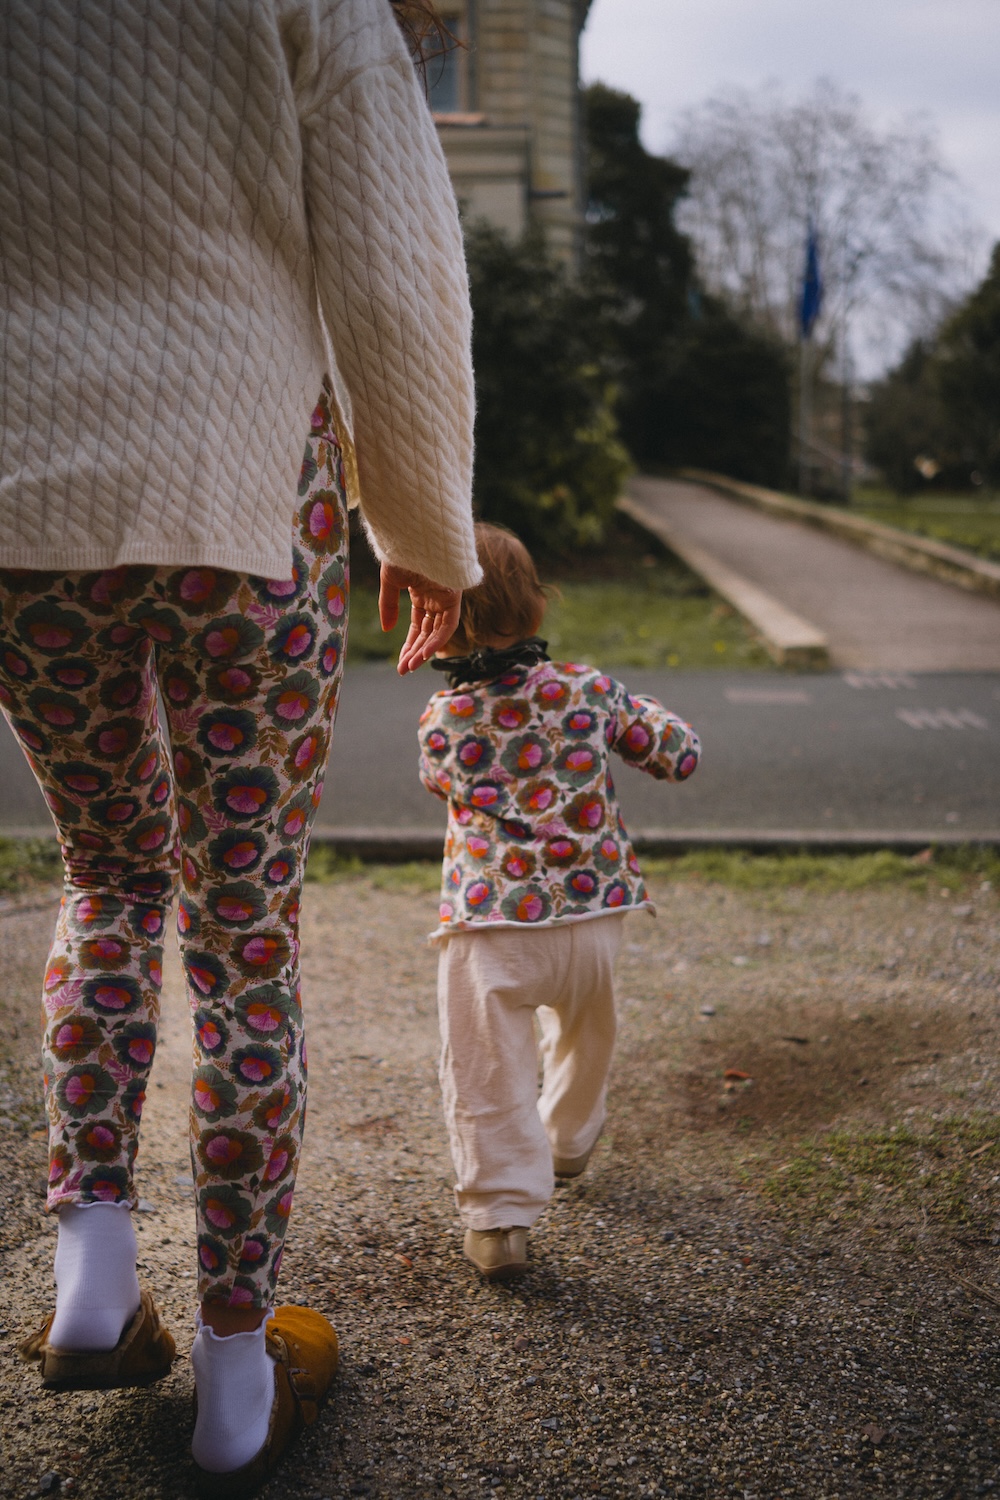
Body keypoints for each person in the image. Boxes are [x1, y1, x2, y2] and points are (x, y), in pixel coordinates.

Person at [0, 0, 479, 1491]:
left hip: (21, 511)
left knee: (112, 868)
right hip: (246, 494)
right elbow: (394, 267)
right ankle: (231, 1382)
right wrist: (426, 532)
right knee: (242, 928)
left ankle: (89, 1259)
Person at [418, 524, 701, 1279]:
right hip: (592, 916)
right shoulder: (589, 690)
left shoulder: (441, 723)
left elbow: (441, 780)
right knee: (587, 1032)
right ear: (538, 611)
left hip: (493, 924)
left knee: (485, 1067)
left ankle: (501, 1220)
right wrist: (637, 716)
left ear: (435, 621)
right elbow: (678, 753)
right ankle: (569, 1141)